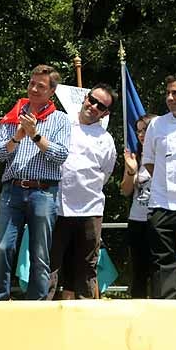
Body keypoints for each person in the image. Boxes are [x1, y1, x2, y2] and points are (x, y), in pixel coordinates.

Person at [0, 65, 71, 300]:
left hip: (43, 192)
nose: (34, 89)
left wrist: (35, 135)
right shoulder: (14, 115)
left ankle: (37, 305)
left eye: (41, 86)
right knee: (2, 248)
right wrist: (17, 136)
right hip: (12, 189)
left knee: (40, 253)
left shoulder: (60, 120)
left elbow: (60, 155)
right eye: (32, 83)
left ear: (51, 91)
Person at [47, 85, 116, 299]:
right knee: (49, 265)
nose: (93, 107)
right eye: (92, 100)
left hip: (90, 209)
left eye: (100, 106)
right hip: (57, 206)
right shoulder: (61, 124)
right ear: (85, 98)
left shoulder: (106, 140)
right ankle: (41, 310)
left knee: (87, 267)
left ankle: (86, 315)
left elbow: (105, 174)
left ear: (105, 112)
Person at [142, 74, 176, 299]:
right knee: (162, 262)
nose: (170, 97)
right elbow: (148, 160)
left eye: (175, 93)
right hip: (162, 204)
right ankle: (166, 309)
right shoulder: (157, 124)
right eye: (168, 93)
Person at [122, 114, 156, 298]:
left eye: (146, 129)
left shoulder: (169, 155)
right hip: (138, 220)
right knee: (139, 272)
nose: (141, 134)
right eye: (139, 130)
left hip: (162, 219)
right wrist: (131, 171)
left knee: (161, 270)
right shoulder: (136, 157)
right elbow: (126, 191)